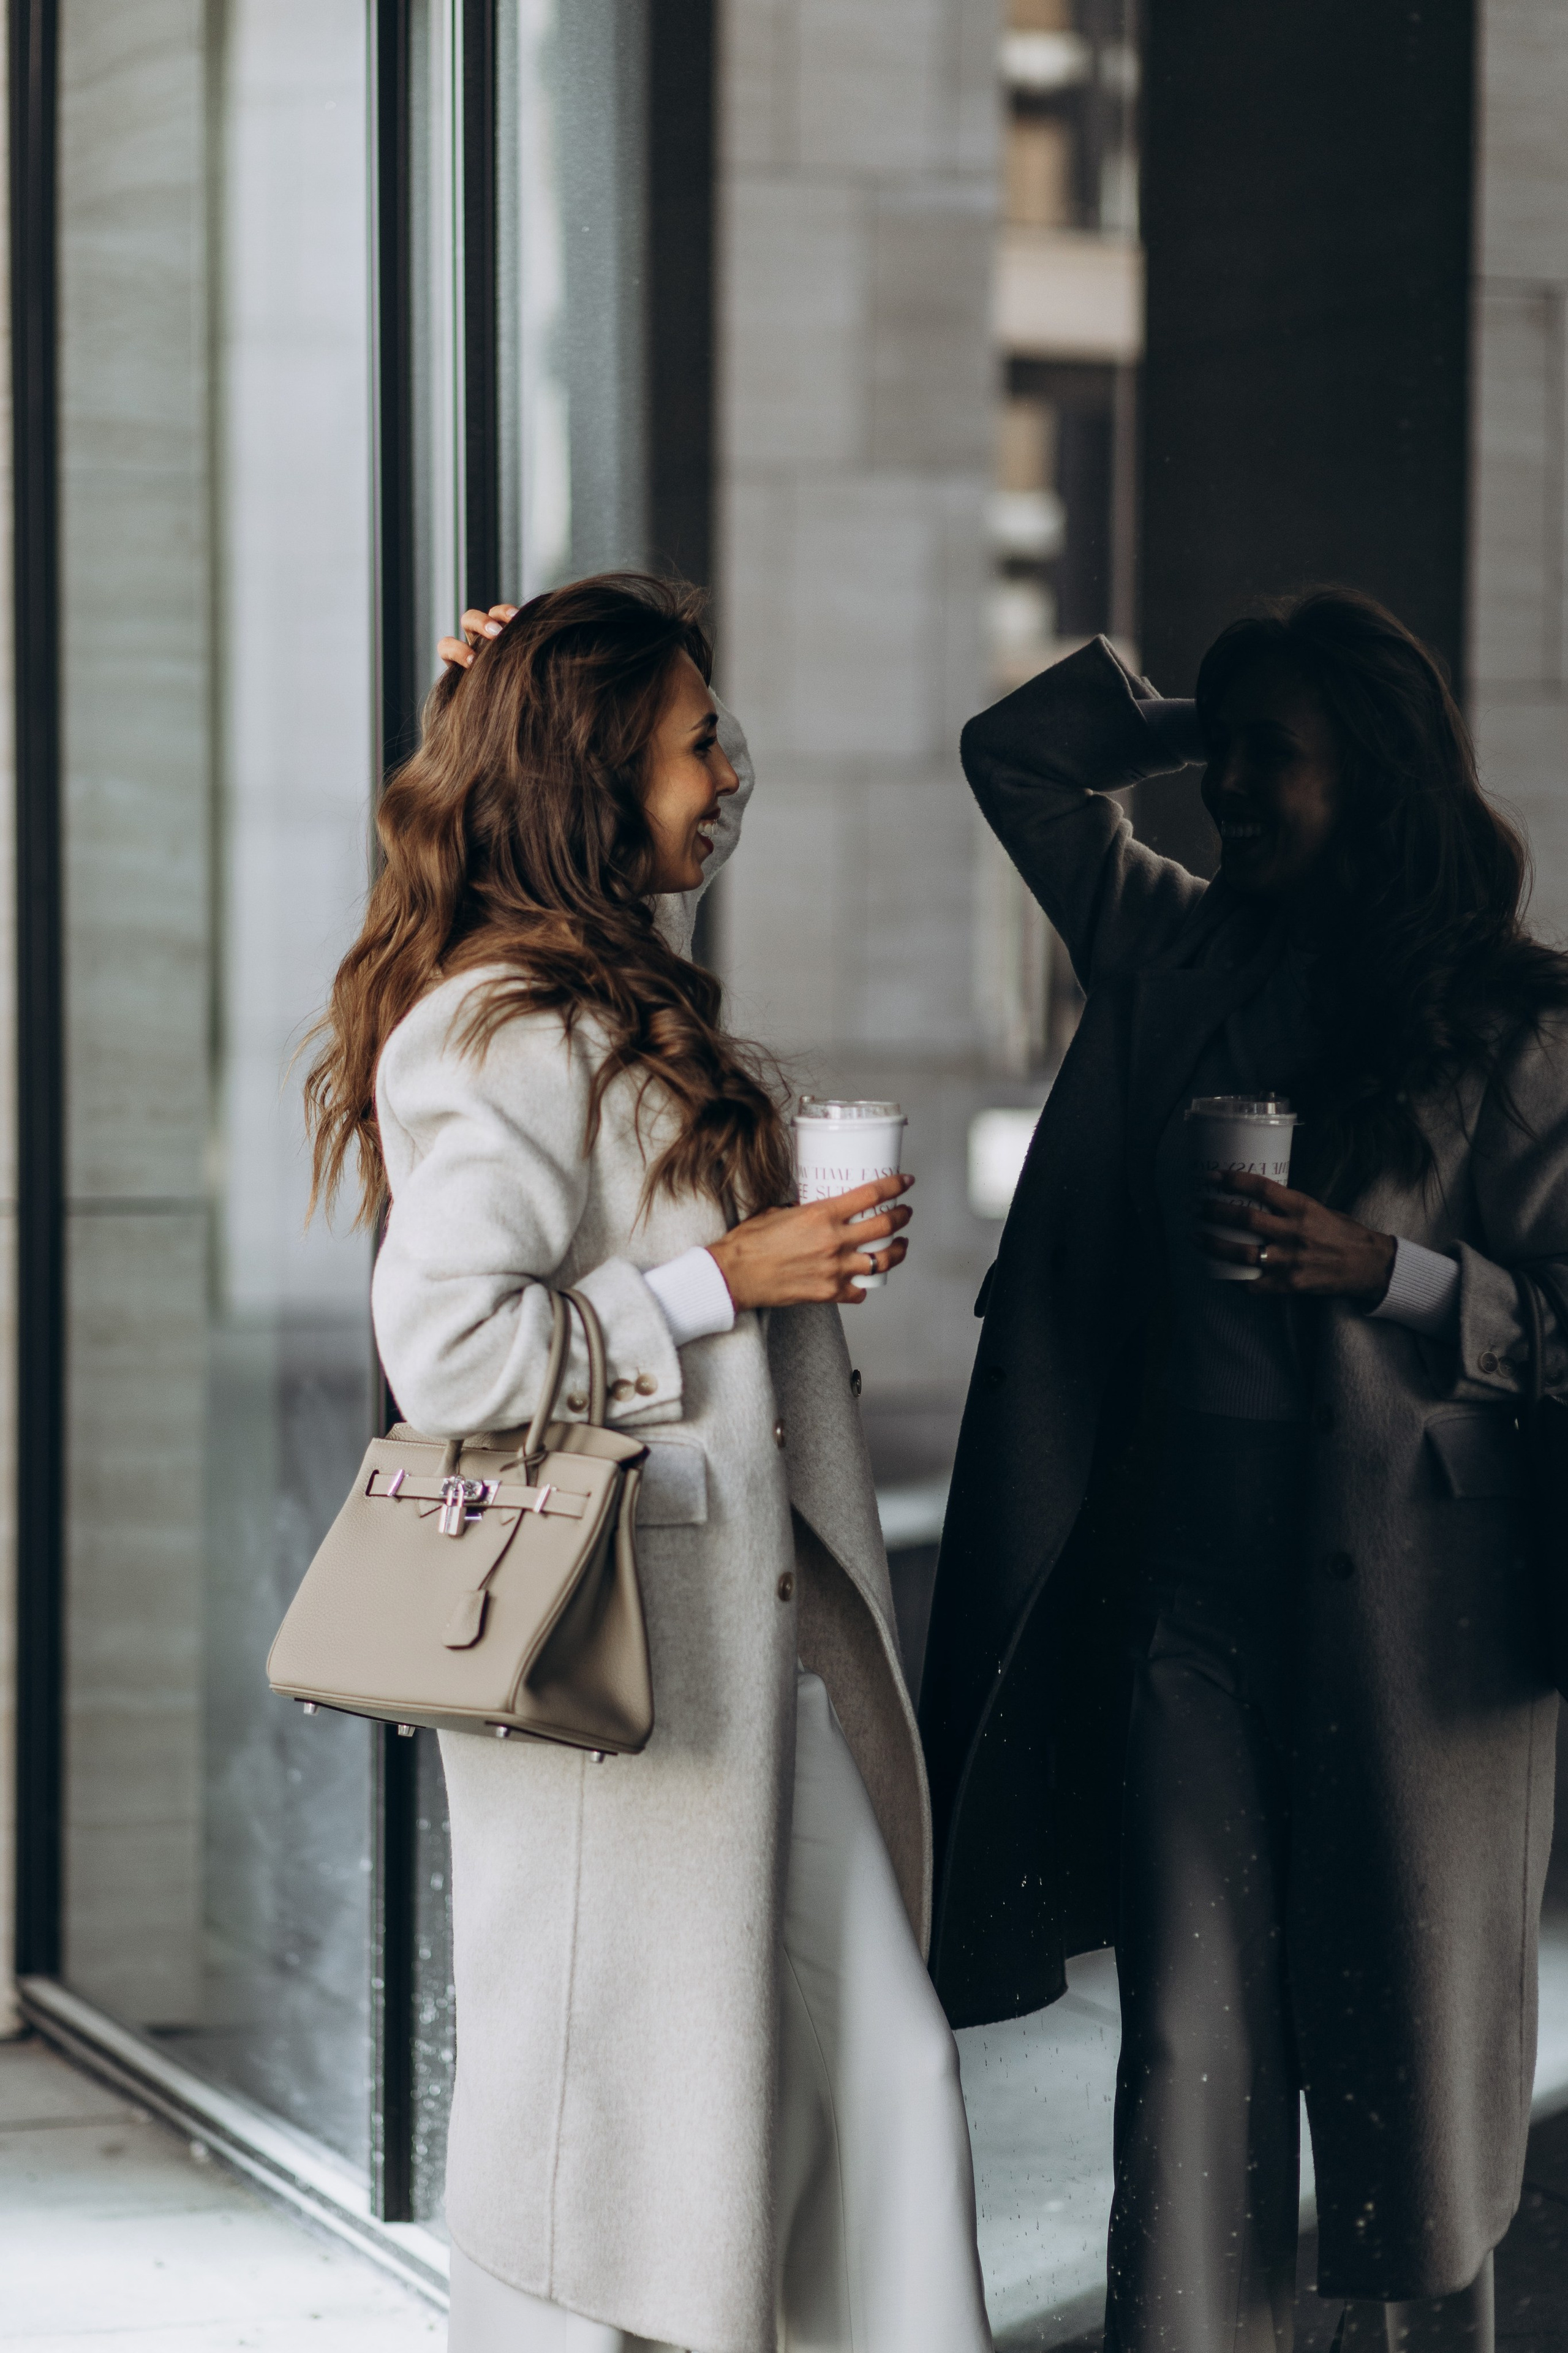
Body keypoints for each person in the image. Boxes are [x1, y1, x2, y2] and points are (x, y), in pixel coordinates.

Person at [305, 573, 992, 2353]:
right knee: (597, 2142)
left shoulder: (602, 994)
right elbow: (446, 1347)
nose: (727, 776)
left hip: (726, 1660)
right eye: (696, 742)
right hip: (618, 1671)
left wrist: (764, 1263)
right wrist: (722, 1277)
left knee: (859, 2073)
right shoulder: (494, 1026)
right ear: (602, 777)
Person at [918, 589, 1568, 2353]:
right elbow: (1019, 758)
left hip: (1418, 1615)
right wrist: (1223, 698)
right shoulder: (1170, 947)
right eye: (1224, 757)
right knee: (1193, 2042)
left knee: (1411, 2067)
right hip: (1185, 1588)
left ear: (1375, 772)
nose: (1228, 792)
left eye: (1271, 761)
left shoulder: (1513, 1023)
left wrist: (1393, 1271)